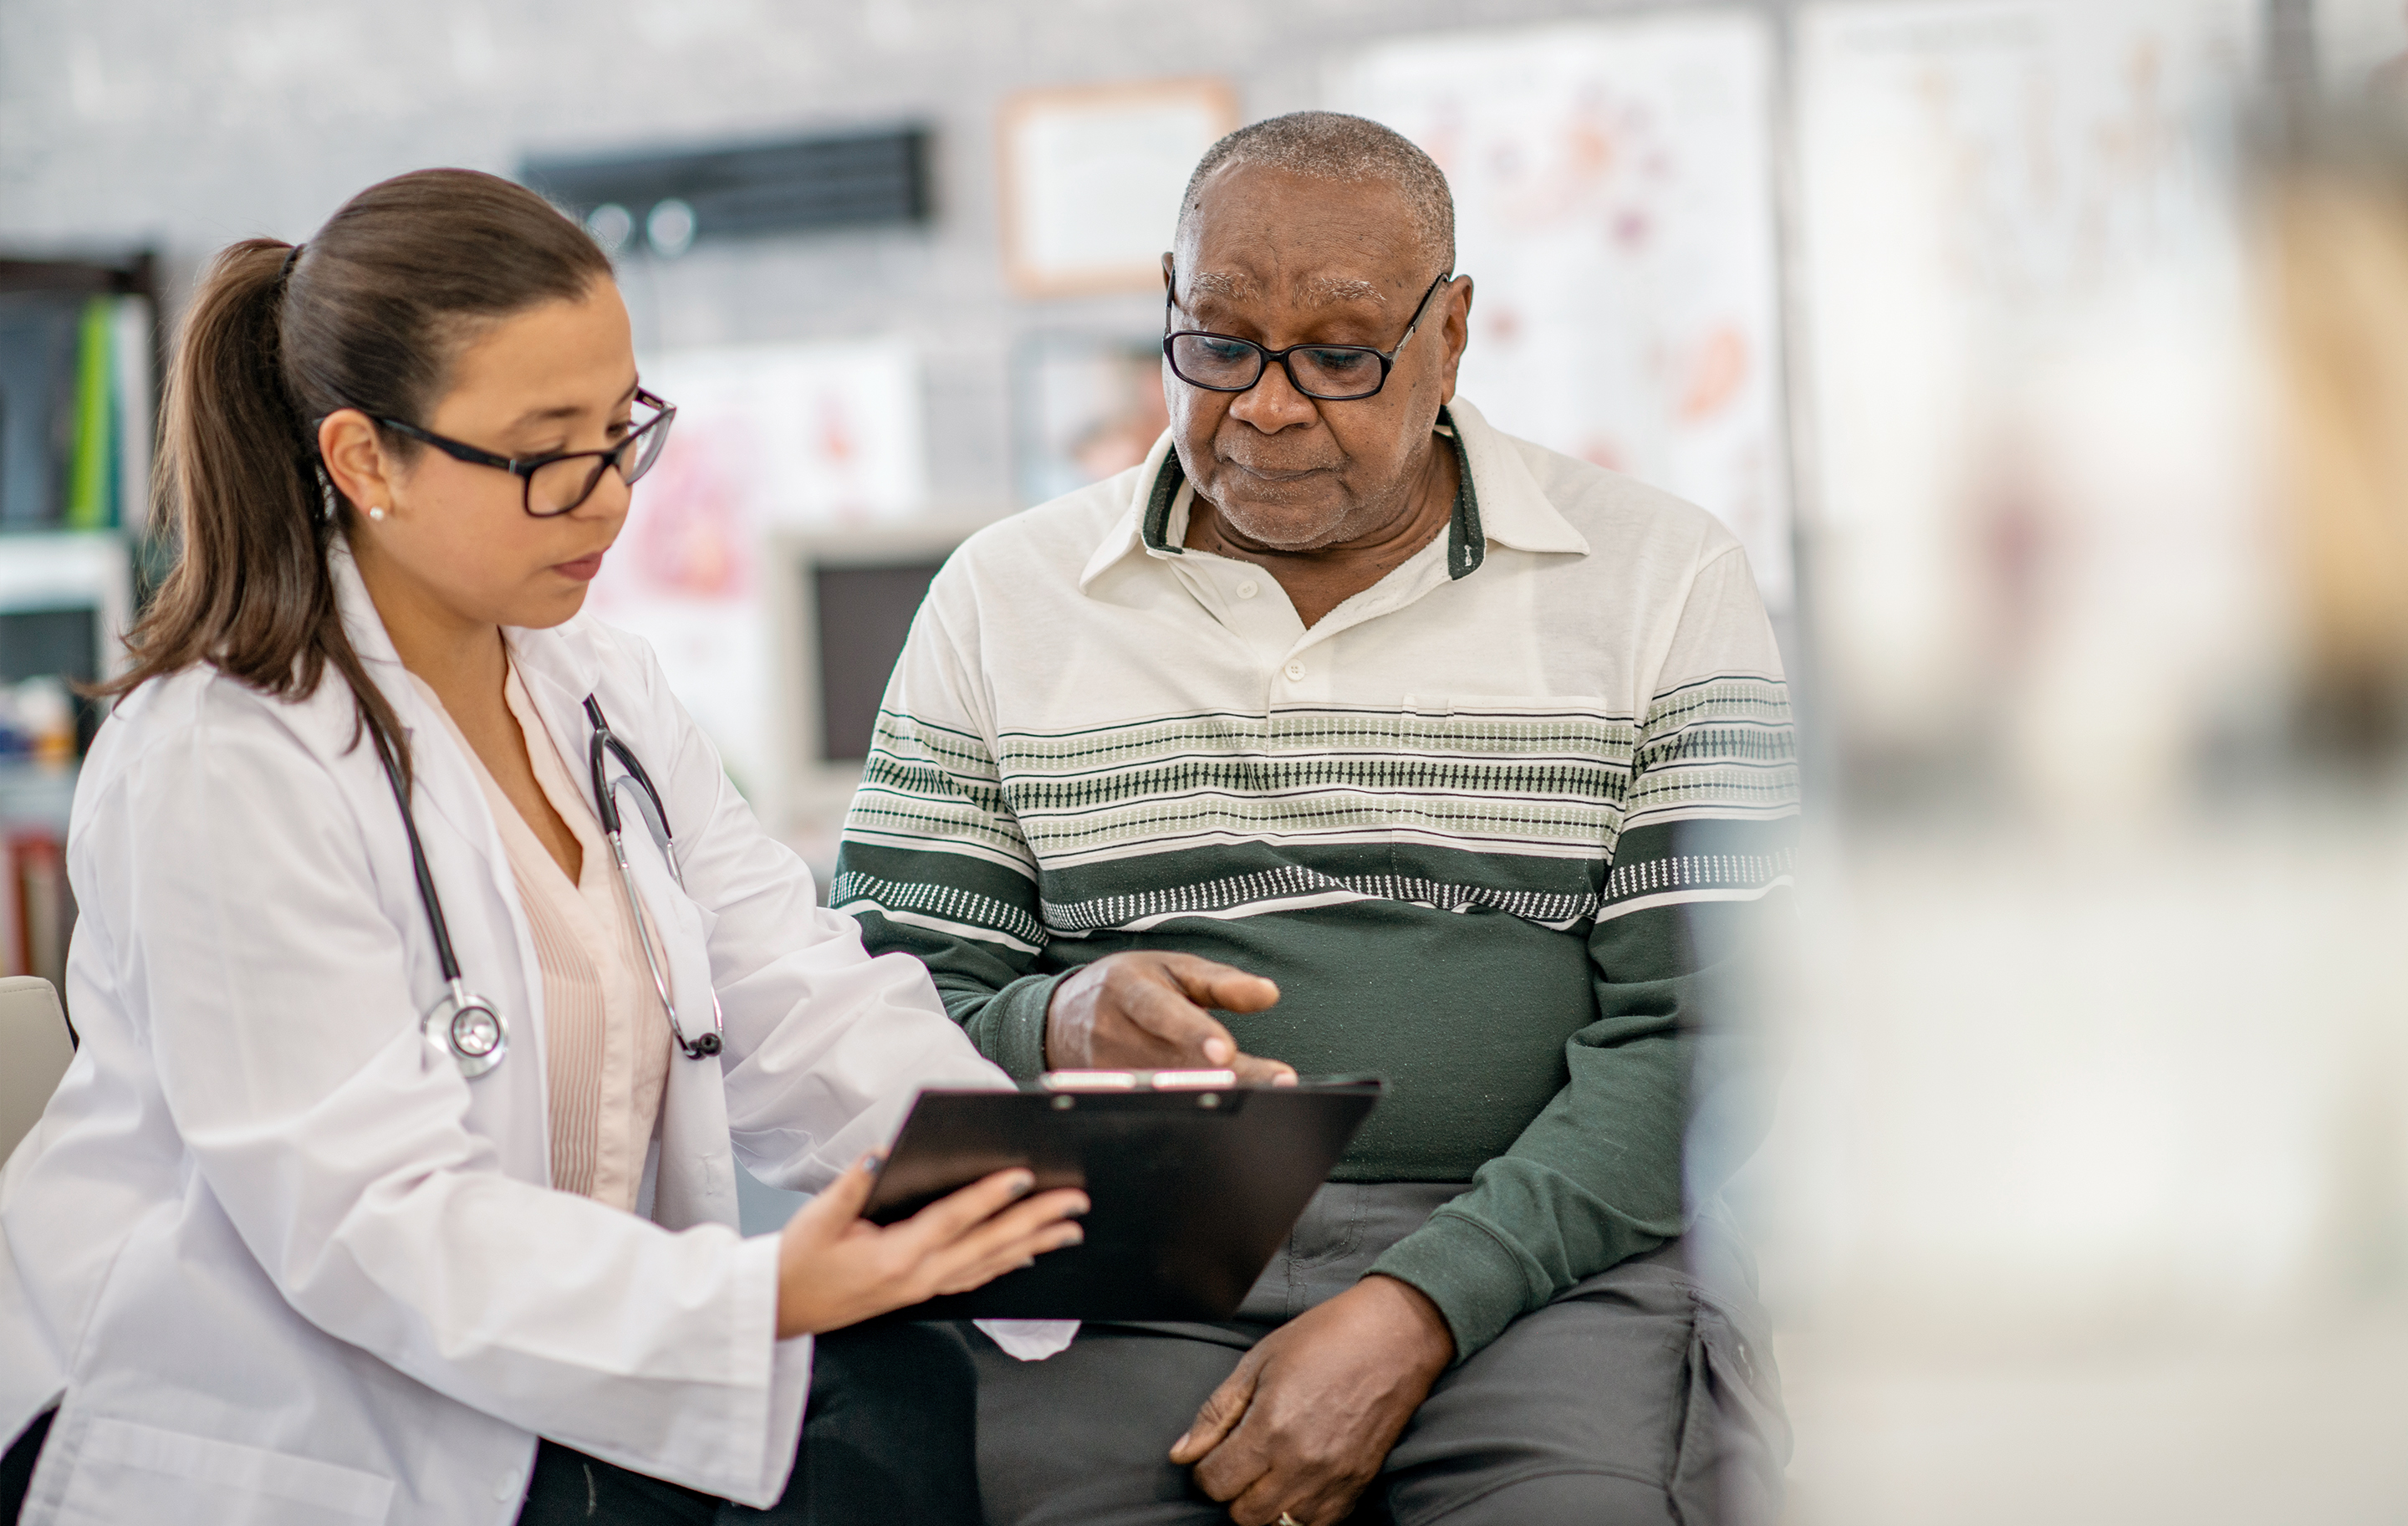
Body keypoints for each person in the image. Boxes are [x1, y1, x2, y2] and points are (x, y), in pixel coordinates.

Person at [0, 169, 1086, 1526]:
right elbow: (365, 1218)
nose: (606, 496)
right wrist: (752, 1295)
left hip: (534, 1381)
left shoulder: (604, 692)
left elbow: (804, 997)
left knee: (904, 1398)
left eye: (622, 426)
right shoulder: (226, 757)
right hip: (261, 1423)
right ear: (364, 459)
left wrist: (1046, 1181)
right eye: (542, 449)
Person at [834, 112, 1797, 1525]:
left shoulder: (1657, 580)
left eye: (1340, 356)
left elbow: (1710, 1034)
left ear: (1452, 332)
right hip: (1132, 1261)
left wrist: (1420, 1303)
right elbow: (872, 1004)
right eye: (1216, 345)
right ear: (1167, 303)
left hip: (1549, 1255)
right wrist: (1060, 1015)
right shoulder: (1005, 596)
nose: (1268, 406)